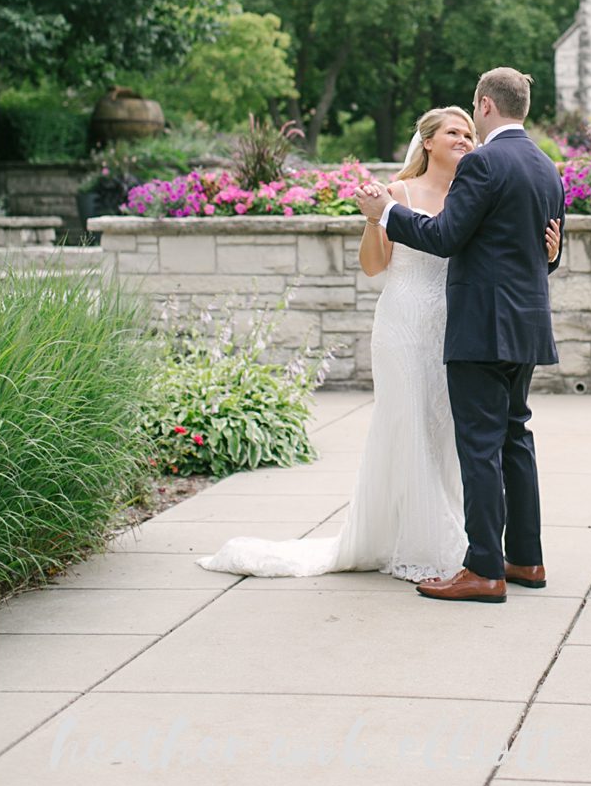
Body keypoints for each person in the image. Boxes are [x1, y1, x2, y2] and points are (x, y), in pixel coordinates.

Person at [198, 103, 562, 584]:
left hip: (462, 325)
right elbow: (374, 265)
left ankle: (470, 549)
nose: (465, 140)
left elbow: (487, 244)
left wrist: (548, 253)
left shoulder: (477, 183)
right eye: (453, 132)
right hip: (407, 323)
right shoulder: (397, 192)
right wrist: (378, 219)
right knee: (415, 425)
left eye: (469, 133)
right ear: (427, 141)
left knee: (457, 438)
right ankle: (430, 541)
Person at [352, 67, 567, 604]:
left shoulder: (483, 163)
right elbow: (539, 248)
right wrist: (554, 254)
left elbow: (447, 236)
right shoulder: (546, 167)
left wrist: (387, 213)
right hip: (526, 324)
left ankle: (484, 569)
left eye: (473, 114)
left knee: (479, 446)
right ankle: (527, 558)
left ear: (485, 105)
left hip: (481, 326)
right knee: (516, 437)